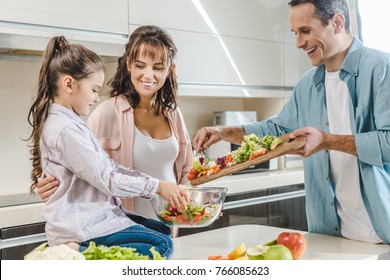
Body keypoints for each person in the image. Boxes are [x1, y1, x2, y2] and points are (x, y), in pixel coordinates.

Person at [192, 0, 390, 244]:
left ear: (337, 22)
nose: (298, 43)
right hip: (329, 235)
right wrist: (224, 132)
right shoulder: (307, 85)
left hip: (382, 234)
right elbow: (276, 130)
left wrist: (327, 141)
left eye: (306, 31)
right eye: (295, 33)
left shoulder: (382, 69)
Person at [27, 35, 188, 258]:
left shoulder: (172, 113)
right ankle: (80, 252)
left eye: (158, 67)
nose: (95, 98)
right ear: (129, 65)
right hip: (90, 223)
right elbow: (103, 177)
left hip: (116, 216)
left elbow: (103, 167)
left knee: (162, 232)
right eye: (94, 90)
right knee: (161, 246)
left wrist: (189, 200)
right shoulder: (82, 122)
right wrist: (156, 186)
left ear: (169, 69)